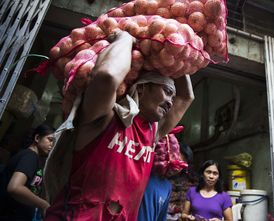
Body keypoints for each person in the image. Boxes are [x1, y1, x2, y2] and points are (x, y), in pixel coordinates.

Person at [44, 29, 194, 221]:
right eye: (166, 91)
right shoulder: (104, 116)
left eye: (172, 96)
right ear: (141, 87)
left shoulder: (153, 132)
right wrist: (125, 38)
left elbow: (186, 96)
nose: (170, 101)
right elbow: (107, 76)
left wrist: (174, 47)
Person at [0, 124, 55, 221]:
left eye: (54, 142)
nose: (52, 145)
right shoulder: (29, 157)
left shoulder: (34, 158)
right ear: (37, 138)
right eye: (50, 140)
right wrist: (44, 205)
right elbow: (15, 187)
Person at [137, 126, 188, 221]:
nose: (178, 165)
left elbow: (161, 217)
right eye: (177, 158)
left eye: (182, 164)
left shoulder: (167, 186)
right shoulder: (142, 173)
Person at [167, 143, 198, 220]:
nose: (180, 163)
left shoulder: (193, 181)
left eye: (184, 161)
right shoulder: (163, 177)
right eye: (177, 159)